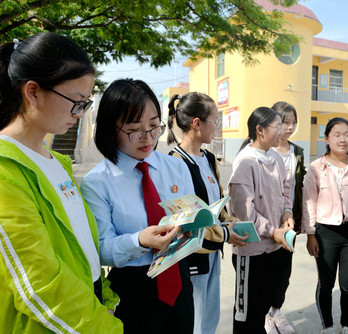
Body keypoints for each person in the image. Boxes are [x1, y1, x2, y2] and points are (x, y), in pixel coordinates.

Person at [0, 33, 122, 333]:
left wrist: (102, 299)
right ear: (33, 92)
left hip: (84, 314)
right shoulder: (5, 169)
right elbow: (38, 282)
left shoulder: (57, 163)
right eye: (75, 102)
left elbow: (80, 248)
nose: (79, 114)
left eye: (85, 103)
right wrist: (106, 328)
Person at [80, 79, 195, 333]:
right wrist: (140, 241)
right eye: (135, 130)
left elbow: (190, 214)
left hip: (178, 278)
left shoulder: (175, 167)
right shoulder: (97, 183)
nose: (147, 138)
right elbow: (100, 249)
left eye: (154, 127)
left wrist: (192, 227)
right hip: (133, 288)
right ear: (111, 129)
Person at [166, 92, 247, 334]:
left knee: (209, 318)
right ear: (196, 123)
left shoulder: (209, 158)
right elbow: (186, 219)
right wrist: (224, 233)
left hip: (213, 249)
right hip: (192, 254)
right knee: (195, 320)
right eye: (215, 121)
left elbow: (216, 204)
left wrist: (231, 223)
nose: (218, 127)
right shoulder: (174, 163)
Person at [303, 117, 348, 334]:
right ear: (326, 138)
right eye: (337, 135)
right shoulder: (316, 167)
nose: (342, 140)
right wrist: (310, 235)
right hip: (325, 233)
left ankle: (346, 325)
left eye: (346, 134)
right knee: (325, 283)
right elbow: (309, 202)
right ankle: (327, 326)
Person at [228, 107, 294, 334]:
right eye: (278, 126)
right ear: (260, 130)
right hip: (252, 250)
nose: (283, 131)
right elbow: (244, 211)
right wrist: (272, 231)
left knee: (263, 307)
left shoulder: (275, 157)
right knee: (247, 313)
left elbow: (285, 191)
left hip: (273, 247)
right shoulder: (246, 162)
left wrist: (287, 213)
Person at [264, 101, 306, 334]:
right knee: (266, 270)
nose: (289, 127)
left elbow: (299, 188)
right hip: (267, 222)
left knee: (283, 271)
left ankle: (276, 312)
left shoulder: (297, 152)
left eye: (292, 122)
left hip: (289, 220)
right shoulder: (263, 150)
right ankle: (264, 315)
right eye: (284, 122)